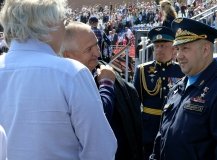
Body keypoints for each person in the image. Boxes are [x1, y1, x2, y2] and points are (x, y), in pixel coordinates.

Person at [0, 0, 117, 159]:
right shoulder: (71, 73)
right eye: (63, 22)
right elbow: (100, 149)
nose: (64, 28)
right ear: (49, 25)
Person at [150, 17, 217, 160]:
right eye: (177, 49)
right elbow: (161, 139)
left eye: (185, 48)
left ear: (205, 50)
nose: (179, 56)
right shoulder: (177, 88)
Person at [61, 21, 143, 160]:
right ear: (68, 55)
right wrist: (106, 85)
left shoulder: (107, 73)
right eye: (88, 49)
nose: (97, 53)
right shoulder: (64, 87)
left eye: (96, 45)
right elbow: (96, 124)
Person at [133, 26, 184, 160]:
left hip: (173, 125)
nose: (159, 50)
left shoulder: (182, 71)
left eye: (163, 46)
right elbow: (135, 102)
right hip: (149, 127)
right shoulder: (142, 70)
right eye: (156, 46)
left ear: (173, 48)